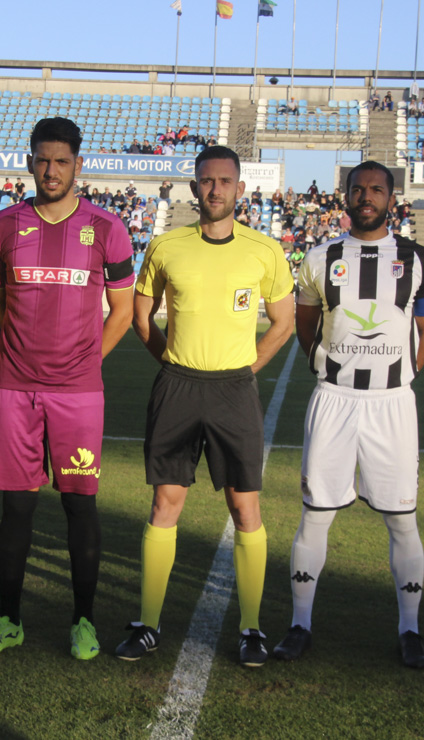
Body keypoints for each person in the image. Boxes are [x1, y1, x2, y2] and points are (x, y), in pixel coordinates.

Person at [115, 145, 295, 667]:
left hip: (233, 390)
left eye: (225, 181)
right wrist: (170, 363)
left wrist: (245, 371)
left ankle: (252, 628)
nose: (215, 189)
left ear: (240, 188)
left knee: (245, 508)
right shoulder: (168, 246)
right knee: (165, 504)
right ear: (194, 188)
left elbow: (282, 324)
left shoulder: (264, 251)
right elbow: (141, 316)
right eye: (206, 181)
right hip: (178, 387)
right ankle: (147, 623)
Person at [0, 117, 136, 661]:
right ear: (29, 163)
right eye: (42, 160)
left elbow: (123, 311)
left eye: (61, 161)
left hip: (78, 392)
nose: (51, 170)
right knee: (16, 510)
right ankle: (8, 619)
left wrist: (87, 358)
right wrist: (21, 350)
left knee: (79, 507)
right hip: (16, 389)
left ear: (78, 166)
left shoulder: (108, 228)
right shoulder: (2, 225)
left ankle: (84, 622)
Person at [272, 162, 424, 668]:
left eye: (376, 189)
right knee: (316, 514)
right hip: (335, 400)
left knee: (402, 520)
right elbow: (307, 328)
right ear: (343, 196)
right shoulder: (320, 258)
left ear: (392, 197)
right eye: (357, 189)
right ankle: (300, 624)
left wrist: (398, 374)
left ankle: (410, 630)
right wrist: (333, 368)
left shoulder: (418, 259)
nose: (366, 196)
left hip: (392, 405)